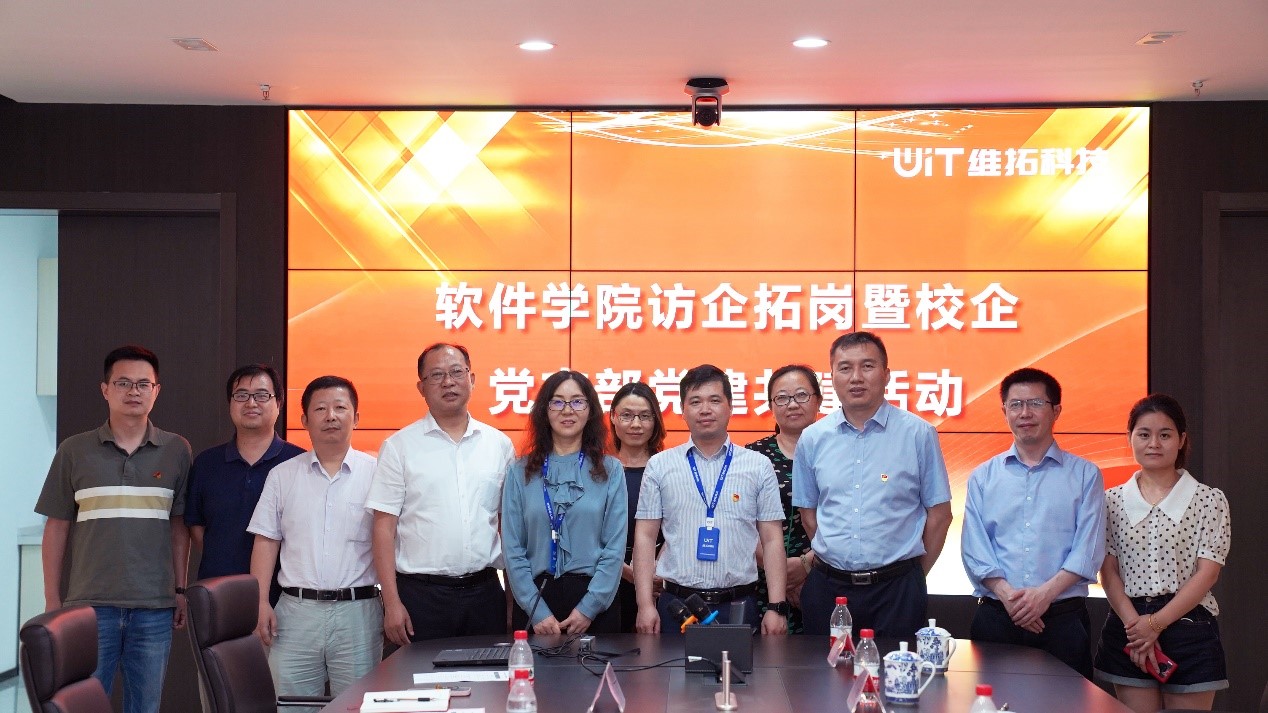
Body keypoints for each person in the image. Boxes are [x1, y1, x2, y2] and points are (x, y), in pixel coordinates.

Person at [35, 345, 192, 713]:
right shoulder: (74, 451)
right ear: (105, 389)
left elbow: (179, 528)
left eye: (143, 384)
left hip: (153, 607)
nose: (133, 391)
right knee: (83, 705)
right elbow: (56, 527)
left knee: (145, 707)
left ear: (156, 391)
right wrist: (52, 599)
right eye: (123, 383)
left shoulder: (176, 450)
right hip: (89, 607)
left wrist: (180, 590)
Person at [793, 331, 952, 639]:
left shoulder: (918, 434)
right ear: (832, 377)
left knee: (895, 669)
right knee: (824, 670)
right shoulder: (812, 438)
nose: (856, 377)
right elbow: (809, 516)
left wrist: (912, 575)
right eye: (845, 368)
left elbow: (940, 515)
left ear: (886, 374)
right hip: (829, 589)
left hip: (897, 591)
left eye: (867, 366)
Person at [365, 343, 515, 645]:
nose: (448, 382)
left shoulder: (499, 445)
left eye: (457, 372)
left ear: (472, 379)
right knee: (418, 675)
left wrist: (512, 602)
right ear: (421, 387)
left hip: (485, 594)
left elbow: (509, 528)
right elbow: (383, 528)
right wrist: (391, 603)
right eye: (436, 375)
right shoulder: (399, 447)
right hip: (421, 597)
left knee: (488, 674)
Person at [961, 368, 1105, 678]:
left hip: (1062, 620)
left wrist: (1043, 596)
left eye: (1036, 403)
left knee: (1066, 701)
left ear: (1056, 411)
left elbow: (1088, 550)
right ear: (1004, 411)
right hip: (997, 616)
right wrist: (1010, 598)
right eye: (1015, 404)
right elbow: (975, 548)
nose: (1024, 413)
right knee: (992, 701)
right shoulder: (983, 477)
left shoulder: (1085, 475)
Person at [247, 375, 381, 708]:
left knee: (358, 706)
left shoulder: (378, 473)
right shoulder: (283, 475)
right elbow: (266, 541)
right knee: (290, 705)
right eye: (320, 409)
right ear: (304, 419)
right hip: (295, 613)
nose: (330, 416)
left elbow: (390, 541)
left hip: (358, 613)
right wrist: (260, 602)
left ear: (356, 417)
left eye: (340, 408)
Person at [1093, 394, 1230, 712]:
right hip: (1128, 625)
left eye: (1165, 435)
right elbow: (1108, 572)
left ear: (1181, 440)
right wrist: (1137, 627)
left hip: (1189, 626)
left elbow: (1208, 573)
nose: (1154, 443)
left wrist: (1154, 624)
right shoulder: (1110, 501)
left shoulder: (1209, 500)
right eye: (1144, 434)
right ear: (1130, 438)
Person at [633, 364, 789, 635]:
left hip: (739, 604)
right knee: (671, 666)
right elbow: (645, 537)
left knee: (742, 666)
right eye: (695, 402)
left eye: (714, 400)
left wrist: (777, 607)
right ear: (683, 410)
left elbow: (772, 538)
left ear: (730, 407)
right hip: (676, 606)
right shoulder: (660, 465)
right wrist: (644, 604)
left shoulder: (758, 465)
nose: (705, 409)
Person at [503, 371, 627, 633]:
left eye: (577, 401)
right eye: (557, 402)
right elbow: (513, 549)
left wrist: (589, 608)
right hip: (535, 601)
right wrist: (536, 610)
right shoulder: (520, 471)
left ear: (590, 410)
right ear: (544, 410)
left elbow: (614, 548)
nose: (567, 410)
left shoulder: (611, 470)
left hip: (595, 604)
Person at [185, 364, 304, 604]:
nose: (251, 403)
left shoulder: (299, 462)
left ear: (279, 403)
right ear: (230, 403)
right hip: (218, 594)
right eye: (241, 395)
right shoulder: (207, 463)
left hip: (285, 598)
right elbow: (196, 526)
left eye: (261, 395)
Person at [745, 364, 822, 634]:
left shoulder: (839, 453)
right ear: (770, 405)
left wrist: (807, 564)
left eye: (801, 395)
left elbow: (849, 515)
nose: (792, 404)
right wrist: (777, 571)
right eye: (782, 398)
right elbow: (739, 520)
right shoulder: (753, 456)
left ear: (818, 400)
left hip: (824, 575)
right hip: (760, 580)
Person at [608, 382, 667, 632]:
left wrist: (655, 573)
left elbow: (680, 525)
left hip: (660, 583)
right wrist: (631, 574)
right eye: (627, 415)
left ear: (656, 421)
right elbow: (588, 533)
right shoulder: (599, 470)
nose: (636, 424)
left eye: (644, 416)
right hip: (607, 580)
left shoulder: (667, 468)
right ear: (613, 417)